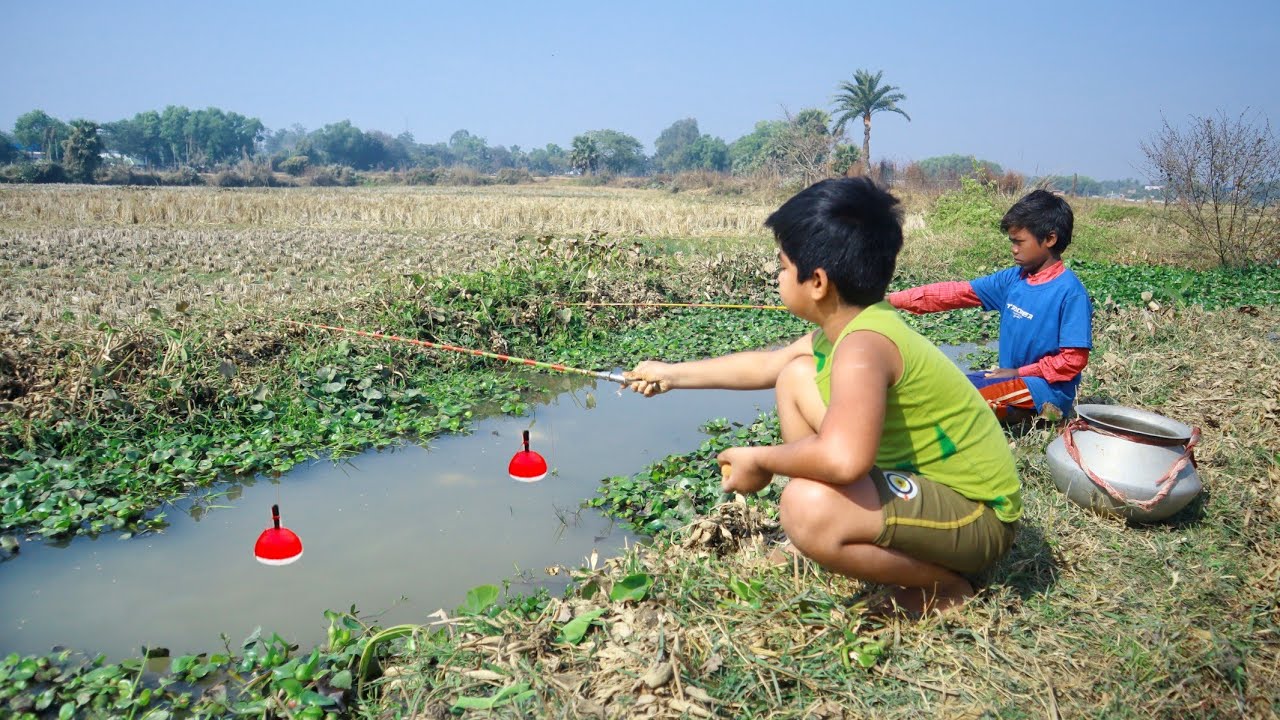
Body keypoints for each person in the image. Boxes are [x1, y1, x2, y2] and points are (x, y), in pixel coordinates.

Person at [624, 178, 1020, 615]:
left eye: (781, 265)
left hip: (978, 519)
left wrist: (759, 458)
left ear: (816, 281)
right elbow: (767, 366)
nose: (777, 275)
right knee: (795, 377)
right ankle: (821, 538)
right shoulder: (848, 328)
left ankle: (943, 588)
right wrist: (671, 375)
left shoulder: (863, 347)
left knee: (806, 505)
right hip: (929, 494)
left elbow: (843, 459)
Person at [888, 189, 1092, 421]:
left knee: (952, 399)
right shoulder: (1013, 279)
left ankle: (1039, 413)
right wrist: (891, 300)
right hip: (1008, 378)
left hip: (1046, 388)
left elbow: (1072, 361)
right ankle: (1014, 413)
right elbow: (956, 293)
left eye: (1019, 242)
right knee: (944, 387)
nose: (1013, 249)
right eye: (1011, 241)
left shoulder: (1069, 292)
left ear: (1050, 239)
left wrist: (1019, 372)